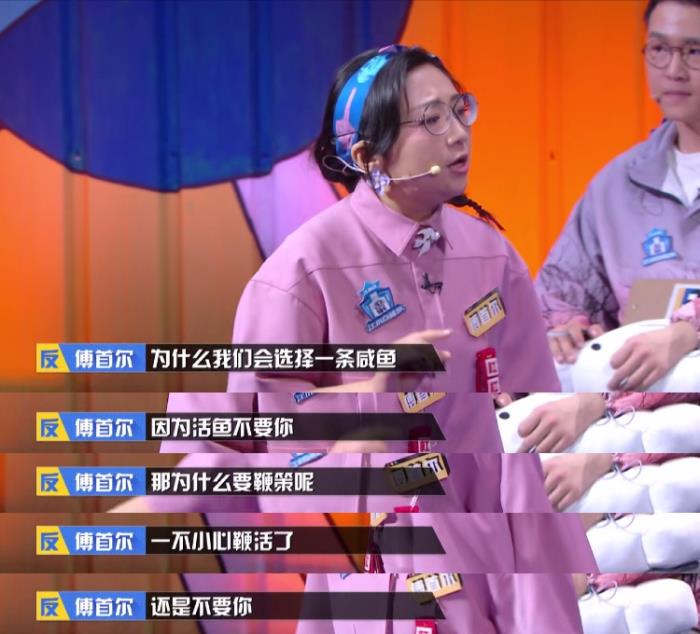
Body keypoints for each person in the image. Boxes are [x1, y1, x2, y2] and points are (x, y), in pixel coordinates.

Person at [117, 45, 595, 632]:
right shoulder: (303, 272)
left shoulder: (490, 253)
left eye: (458, 109)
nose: (457, 133)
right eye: (430, 119)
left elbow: (535, 413)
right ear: (369, 156)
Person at [535, 0, 700, 390]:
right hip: (639, 410)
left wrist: (688, 331)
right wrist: (567, 329)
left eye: (694, 51)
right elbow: (561, 295)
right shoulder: (616, 186)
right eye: (659, 49)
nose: (673, 70)